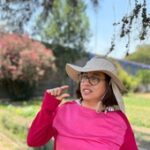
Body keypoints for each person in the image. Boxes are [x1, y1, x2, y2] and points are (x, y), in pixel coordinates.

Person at [27, 56, 138, 150]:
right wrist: (47, 108)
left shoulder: (119, 120)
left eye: (94, 78)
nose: (86, 83)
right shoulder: (65, 111)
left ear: (109, 85)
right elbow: (34, 141)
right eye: (84, 77)